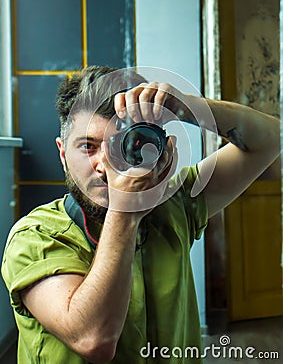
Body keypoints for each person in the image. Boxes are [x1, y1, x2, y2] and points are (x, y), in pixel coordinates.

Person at [1, 65, 280, 364]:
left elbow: (271, 140)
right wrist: (126, 210)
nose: (103, 165)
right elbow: (93, 339)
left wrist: (189, 107)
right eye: (88, 146)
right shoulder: (34, 237)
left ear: (159, 149)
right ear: (62, 154)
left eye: (120, 146)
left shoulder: (176, 204)